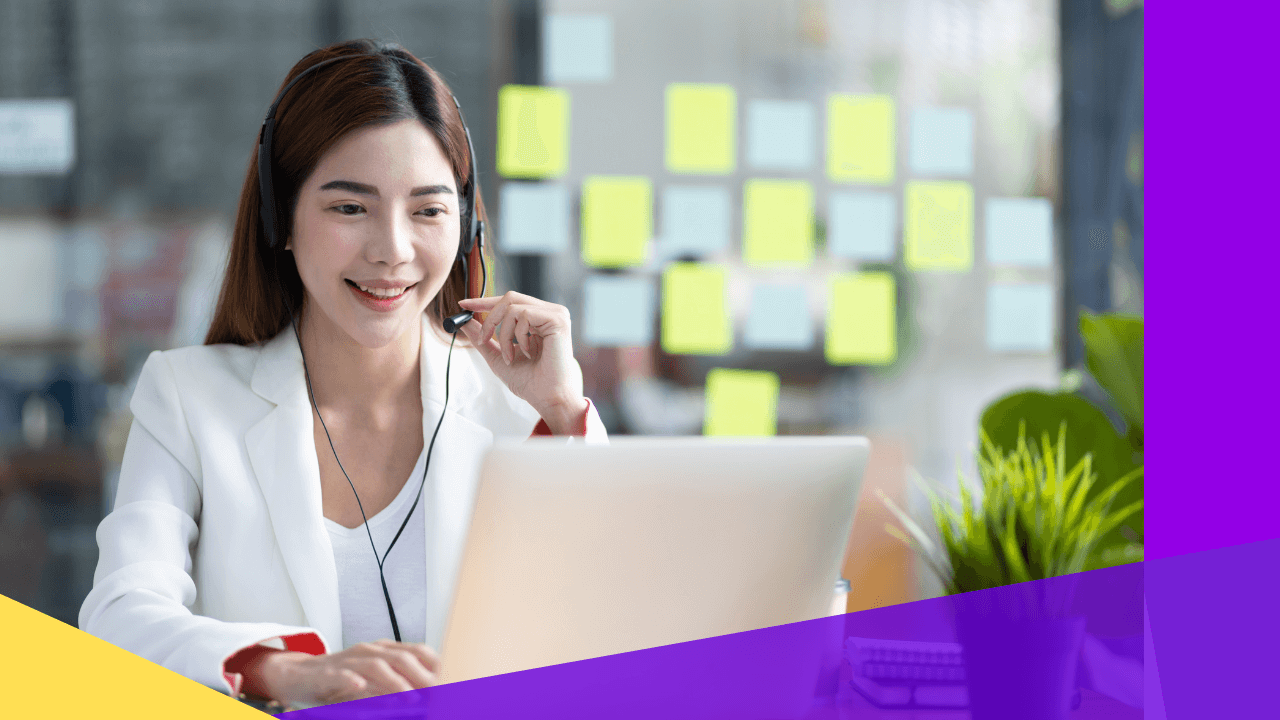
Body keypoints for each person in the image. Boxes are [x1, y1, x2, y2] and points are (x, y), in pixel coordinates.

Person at [79, 39, 606, 708]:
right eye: (349, 207)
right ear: (283, 220)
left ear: (466, 226)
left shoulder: (524, 415)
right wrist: (280, 672)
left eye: (428, 210)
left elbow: (611, 632)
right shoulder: (188, 399)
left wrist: (563, 413)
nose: (392, 250)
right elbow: (119, 617)